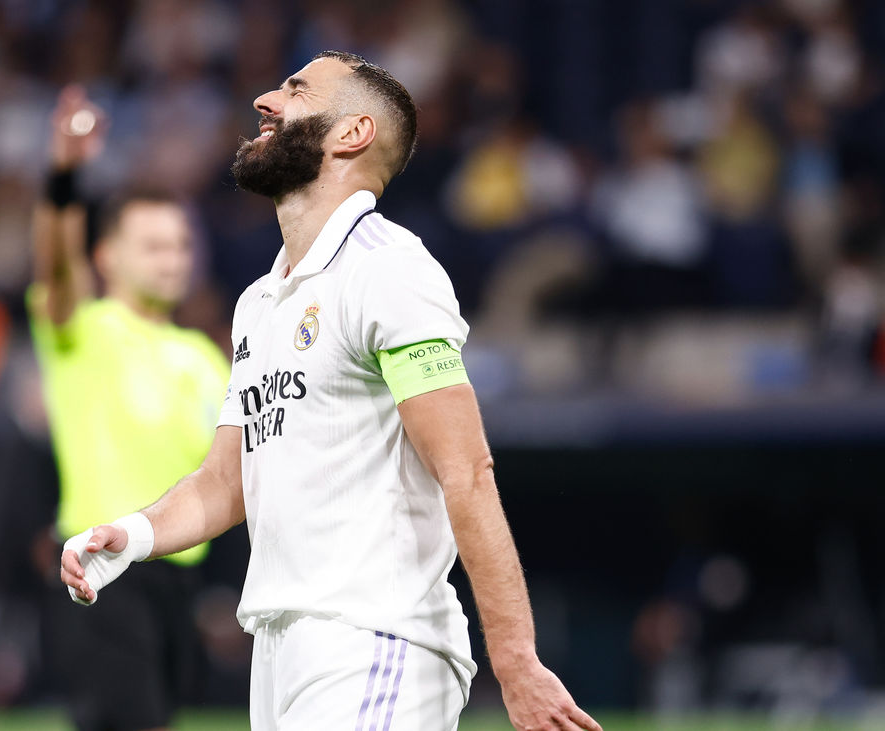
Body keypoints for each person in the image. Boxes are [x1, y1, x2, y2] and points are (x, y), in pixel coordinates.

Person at [59, 52, 602, 731]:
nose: (265, 99)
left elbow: (465, 471)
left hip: (374, 640)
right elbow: (225, 481)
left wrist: (516, 660)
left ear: (352, 133)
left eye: (296, 90)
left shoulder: (389, 269)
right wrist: (133, 535)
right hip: (279, 650)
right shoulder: (259, 301)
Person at [29, 87, 230, 730]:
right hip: (102, 567)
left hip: (180, 575)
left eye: (180, 245)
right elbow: (56, 267)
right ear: (106, 256)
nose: (173, 260)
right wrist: (65, 175)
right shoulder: (84, 330)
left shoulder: (205, 356)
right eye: (153, 246)